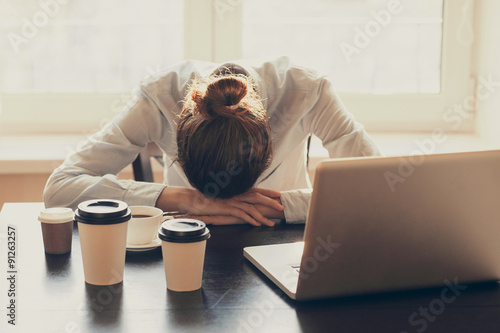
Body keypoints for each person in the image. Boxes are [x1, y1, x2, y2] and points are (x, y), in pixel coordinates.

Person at [43, 56, 381, 226]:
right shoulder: (159, 96)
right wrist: (187, 199)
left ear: (268, 138)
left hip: (283, 240)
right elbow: (60, 188)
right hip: (189, 233)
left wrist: (279, 206)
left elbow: (381, 188)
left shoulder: (308, 91)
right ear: (180, 135)